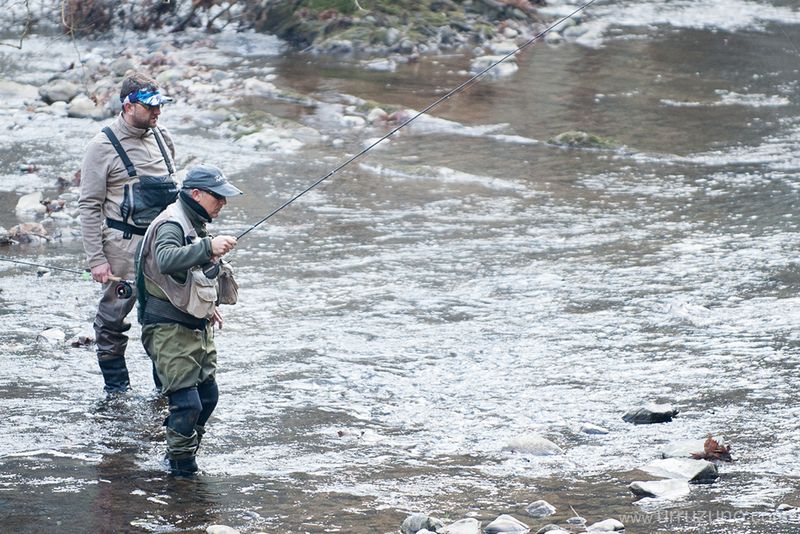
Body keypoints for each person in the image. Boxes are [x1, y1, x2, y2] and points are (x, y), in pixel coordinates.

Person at [136, 163, 242, 477]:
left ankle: (180, 448)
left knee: (208, 396)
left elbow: (189, 276)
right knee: (188, 405)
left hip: (194, 324)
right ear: (195, 194)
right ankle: (181, 470)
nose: (223, 203)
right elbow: (167, 259)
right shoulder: (171, 223)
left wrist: (207, 306)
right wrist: (208, 247)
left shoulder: (194, 219)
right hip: (168, 329)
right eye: (218, 197)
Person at [79, 72, 178, 395]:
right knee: (111, 322)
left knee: (164, 321)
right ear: (128, 105)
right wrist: (97, 260)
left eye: (159, 106)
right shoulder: (101, 146)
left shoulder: (162, 136)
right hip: (121, 250)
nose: (157, 112)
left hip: (162, 247)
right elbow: (89, 206)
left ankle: (164, 391)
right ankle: (116, 392)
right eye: (150, 107)